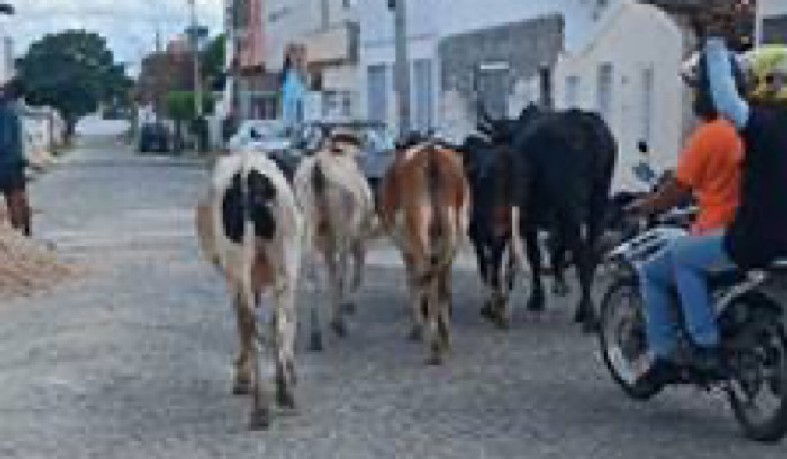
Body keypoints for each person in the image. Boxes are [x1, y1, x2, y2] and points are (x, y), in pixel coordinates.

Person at [630, 51, 746, 384]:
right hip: (759, 232)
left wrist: (646, 206)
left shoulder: (711, 135)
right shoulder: (757, 127)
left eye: (696, 88)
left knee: (657, 270)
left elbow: (677, 191)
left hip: (721, 233)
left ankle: (679, 351)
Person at [0, 80, 31, 237]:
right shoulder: (8, 112)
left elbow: (6, 141)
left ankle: (20, 234)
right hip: (10, 164)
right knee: (17, 198)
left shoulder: (7, 111)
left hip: (9, 163)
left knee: (16, 198)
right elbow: (5, 141)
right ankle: (21, 233)